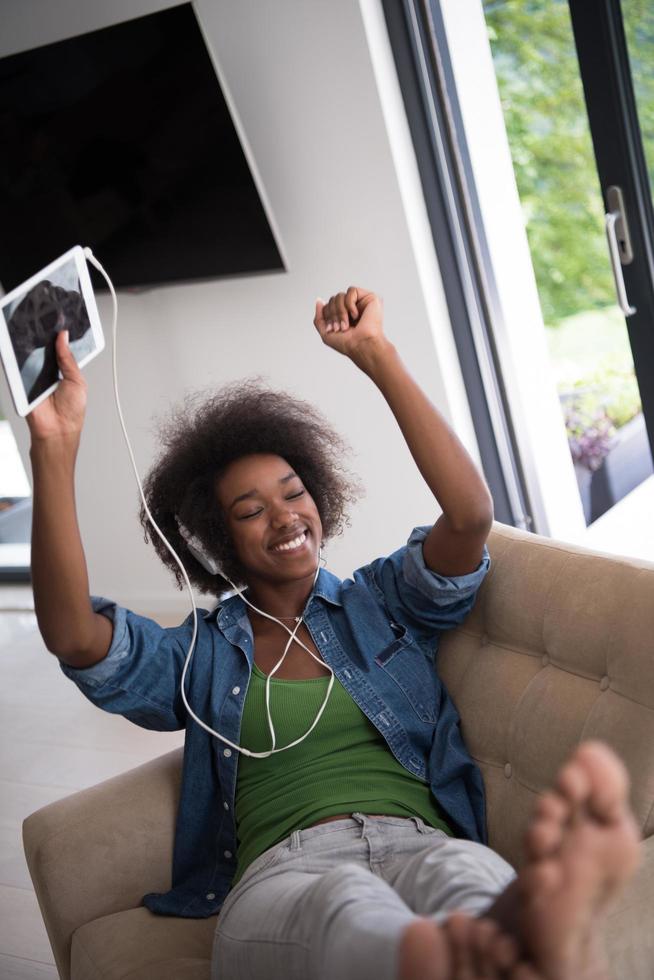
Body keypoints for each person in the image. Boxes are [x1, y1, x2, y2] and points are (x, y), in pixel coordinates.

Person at [28, 287, 641, 980]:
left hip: (422, 846)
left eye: (294, 493)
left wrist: (376, 356)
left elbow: (469, 518)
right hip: (285, 881)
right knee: (348, 908)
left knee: (469, 882)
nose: (285, 517)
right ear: (215, 543)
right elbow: (78, 638)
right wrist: (54, 447)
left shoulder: (382, 603)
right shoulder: (197, 657)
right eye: (250, 511)